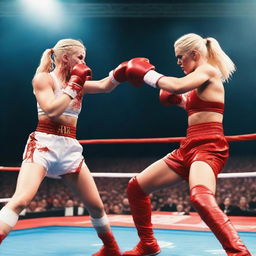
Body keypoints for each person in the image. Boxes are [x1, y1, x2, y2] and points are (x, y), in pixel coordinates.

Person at [120, 33, 252, 255]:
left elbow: (177, 85)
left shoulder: (208, 71)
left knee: (200, 196)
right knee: (136, 187)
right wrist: (179, 102)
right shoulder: (198, 81)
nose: (178, 62)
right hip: (189, 145)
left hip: (209, 146)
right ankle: (148, 243)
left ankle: (240, 253)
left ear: (195, 54)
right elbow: (194, 105)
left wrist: (147, 74)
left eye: (181, 57)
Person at [0, 38, 127, 256]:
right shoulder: (43, 79)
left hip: (70, 147)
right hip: (44, 144)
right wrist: (74, 86)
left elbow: (106, 86)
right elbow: (52, 110)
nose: (83, 62)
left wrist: (121, 73)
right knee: (21, 200)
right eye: (80, 57)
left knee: (96, 206)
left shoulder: (78, 83)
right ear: (66, 58)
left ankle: (110, 249)